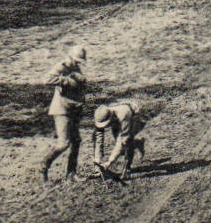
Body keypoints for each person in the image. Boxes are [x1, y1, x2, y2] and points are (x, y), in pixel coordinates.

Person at [40, 45, 88, 182]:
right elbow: (46, 79)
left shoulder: (75, 68)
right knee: (64, 143)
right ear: (71, 57)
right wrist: (66, 81)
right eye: (77, 60)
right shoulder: (62, 66)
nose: (79, 63)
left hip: (73, 109)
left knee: (76, 141)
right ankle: (44, 165)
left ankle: (71, 173)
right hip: (62, 110)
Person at [92, 101, 146, 181]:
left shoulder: (123, 115)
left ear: (111, 117)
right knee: (121, 148)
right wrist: (98, 162)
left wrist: (109, 163)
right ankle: (138, 143)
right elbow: (98, 140)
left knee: (126, 142)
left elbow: (121, 141)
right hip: (117, 119)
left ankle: (127, 168)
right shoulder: (100, 115)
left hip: (135, 117)